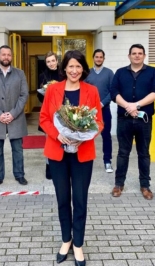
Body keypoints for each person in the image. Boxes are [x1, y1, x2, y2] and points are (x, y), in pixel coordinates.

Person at [39, 50, 103, 266]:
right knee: (63, 199)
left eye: (78, 66)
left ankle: (78, 244)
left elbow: (99, 122)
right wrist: (58, 135)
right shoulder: (53, 90)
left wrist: (83, 136)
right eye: (70, 66)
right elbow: (44, 118)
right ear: (63, 68)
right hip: (57, 152)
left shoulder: (92, 91)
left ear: (83, 69)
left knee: (80, 200)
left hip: (82, 153)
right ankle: (66, 240)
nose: (74, 70)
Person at [110, 44, 155, 199]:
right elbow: (114, 92)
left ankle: (145, 186)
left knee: (144, 153)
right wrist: (128, 106)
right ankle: (119, 184)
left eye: (140, 53)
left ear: (144, 56)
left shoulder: (153, 72)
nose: (137, 56)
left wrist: (137, 105)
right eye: (134, 53)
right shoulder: (120, 73)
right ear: (129, 56)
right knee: (122, 153)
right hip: (124, 119)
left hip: (144, 120)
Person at [0, 45, 29, 190]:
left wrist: (13, 113)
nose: (6, 57)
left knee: (18, 149)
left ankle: (19, 174)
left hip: (16, 118)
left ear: (11, 57)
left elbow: (24, 95)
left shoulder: (19, 74)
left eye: (9, 54)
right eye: (3, 54)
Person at [85, 49, 114, 173]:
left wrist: (101, 103)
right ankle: (85, 160)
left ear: (103, 58)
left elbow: (113, 91)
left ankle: (107, 161)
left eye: (101, 57)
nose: (98, 59)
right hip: (89, 111)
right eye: (96, 57)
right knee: (86, 136)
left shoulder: (109, 73)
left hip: (104, 109)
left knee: (106, 136)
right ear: (93, 58)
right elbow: (84, 91)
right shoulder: (87, 73)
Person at [37, 51, 64, 179]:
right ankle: (49, 167)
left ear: (57, 61)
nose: (51, 63)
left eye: (53, 61)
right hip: (49, 112)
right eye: (48, 61)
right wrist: (45, 95)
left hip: (63, 112)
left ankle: (63, 167)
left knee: (64, 138)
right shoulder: (42, 76)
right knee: (50, 141)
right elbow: (38, 95)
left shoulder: (63, 74)